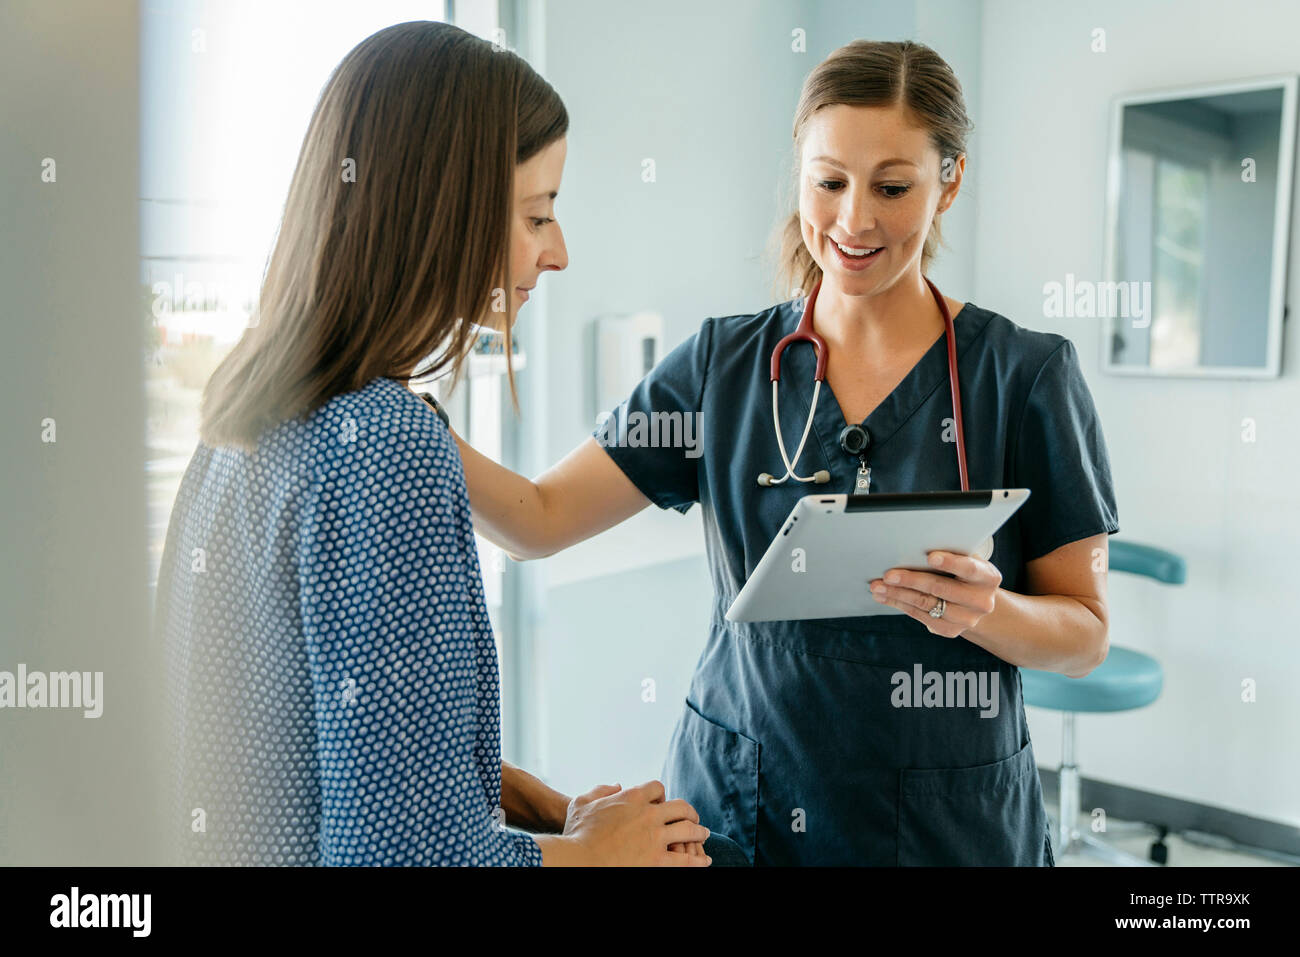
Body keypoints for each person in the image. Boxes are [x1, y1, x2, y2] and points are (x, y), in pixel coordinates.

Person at [454, 39, 1120, 865]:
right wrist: (405, 415)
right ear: (800, 169)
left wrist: (991, 613)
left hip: (949, 822)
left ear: (949, 181)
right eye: (829, 181)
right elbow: (537, 520)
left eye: (892, 186)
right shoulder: (722, 367)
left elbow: (1084, 633)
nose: (854, 220)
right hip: (741, 806)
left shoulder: (1024, 378)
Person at [154, 20, 713, 867]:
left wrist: (540, 805)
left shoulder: (244, 415)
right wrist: (598, 857)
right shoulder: (388, 447)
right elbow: (401, 858)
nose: (556, 253)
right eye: (537, 215)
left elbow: (331, 748)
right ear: (444, 211)